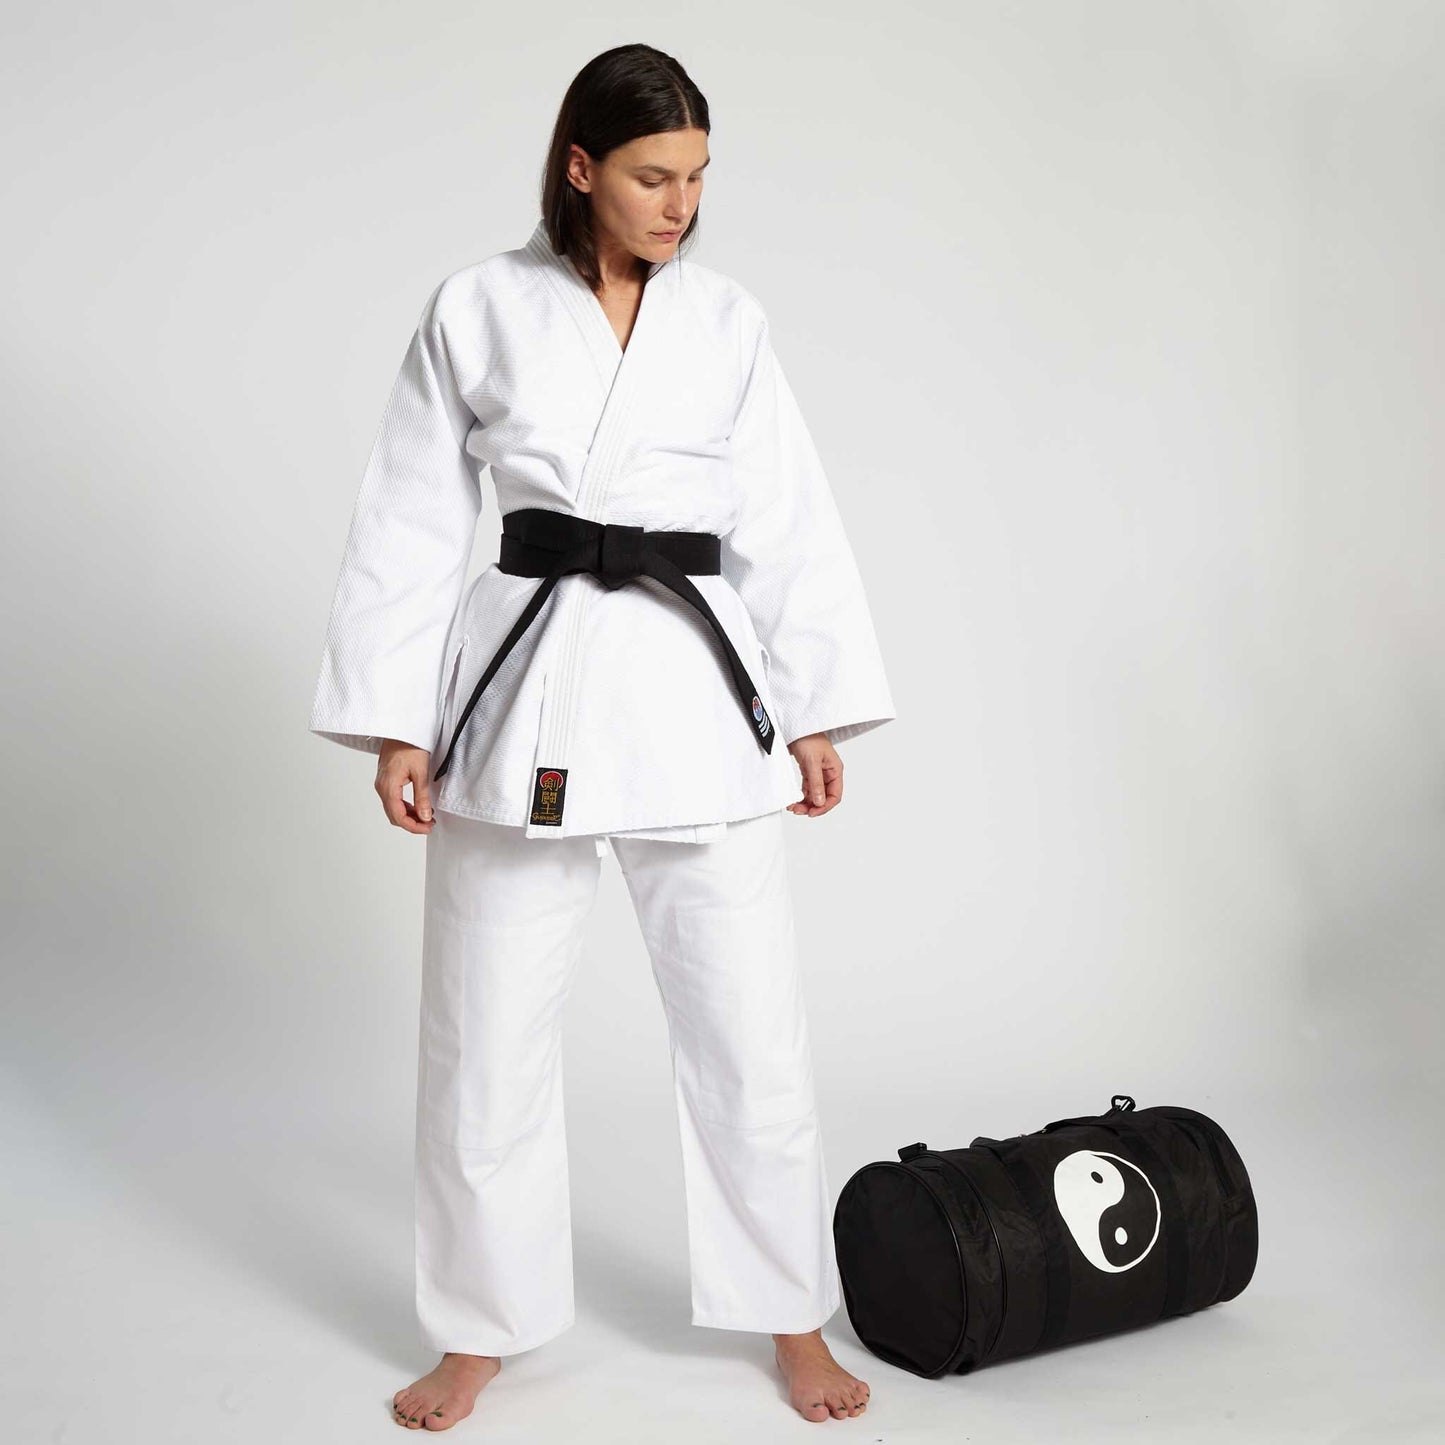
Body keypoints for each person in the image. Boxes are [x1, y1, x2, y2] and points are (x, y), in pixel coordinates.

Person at [309, 42, 895, 1430]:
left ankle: (787, 1313)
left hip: (697, 693)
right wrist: (397, 724)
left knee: (750, 1036)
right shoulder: (478, 307)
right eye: (651, 176)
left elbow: (786, 516)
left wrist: (815, 706)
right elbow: (410, 516)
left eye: (697, 177)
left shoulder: (726, 322)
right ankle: (479, 1326)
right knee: (484, 1039)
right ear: (579, 167)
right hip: (528, 688)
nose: (681, 205)